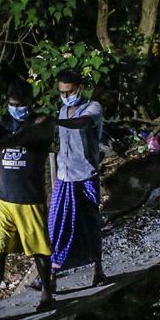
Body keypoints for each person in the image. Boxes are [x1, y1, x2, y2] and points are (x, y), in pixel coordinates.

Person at [0, 80, 56, 319]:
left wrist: (7, 141)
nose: (17, 108)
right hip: (4, 200)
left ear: (31, 102)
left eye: (22, 104)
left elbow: (28, 135)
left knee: (39, 251)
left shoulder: (42, 122)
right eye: (13, 104)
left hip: (30, 200)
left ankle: (48, 293)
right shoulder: (1, 122)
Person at [49, 69, 106, 285]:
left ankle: (97, 269)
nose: (65, 96)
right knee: (57, 224)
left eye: (69, 92)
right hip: (64, 177)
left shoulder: (93, 108)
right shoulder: (63, 111)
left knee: (90, 223)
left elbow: (82, 123)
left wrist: (55, 123)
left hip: (85, 176)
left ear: (80, 88)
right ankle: (52, 273)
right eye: (62, 93)